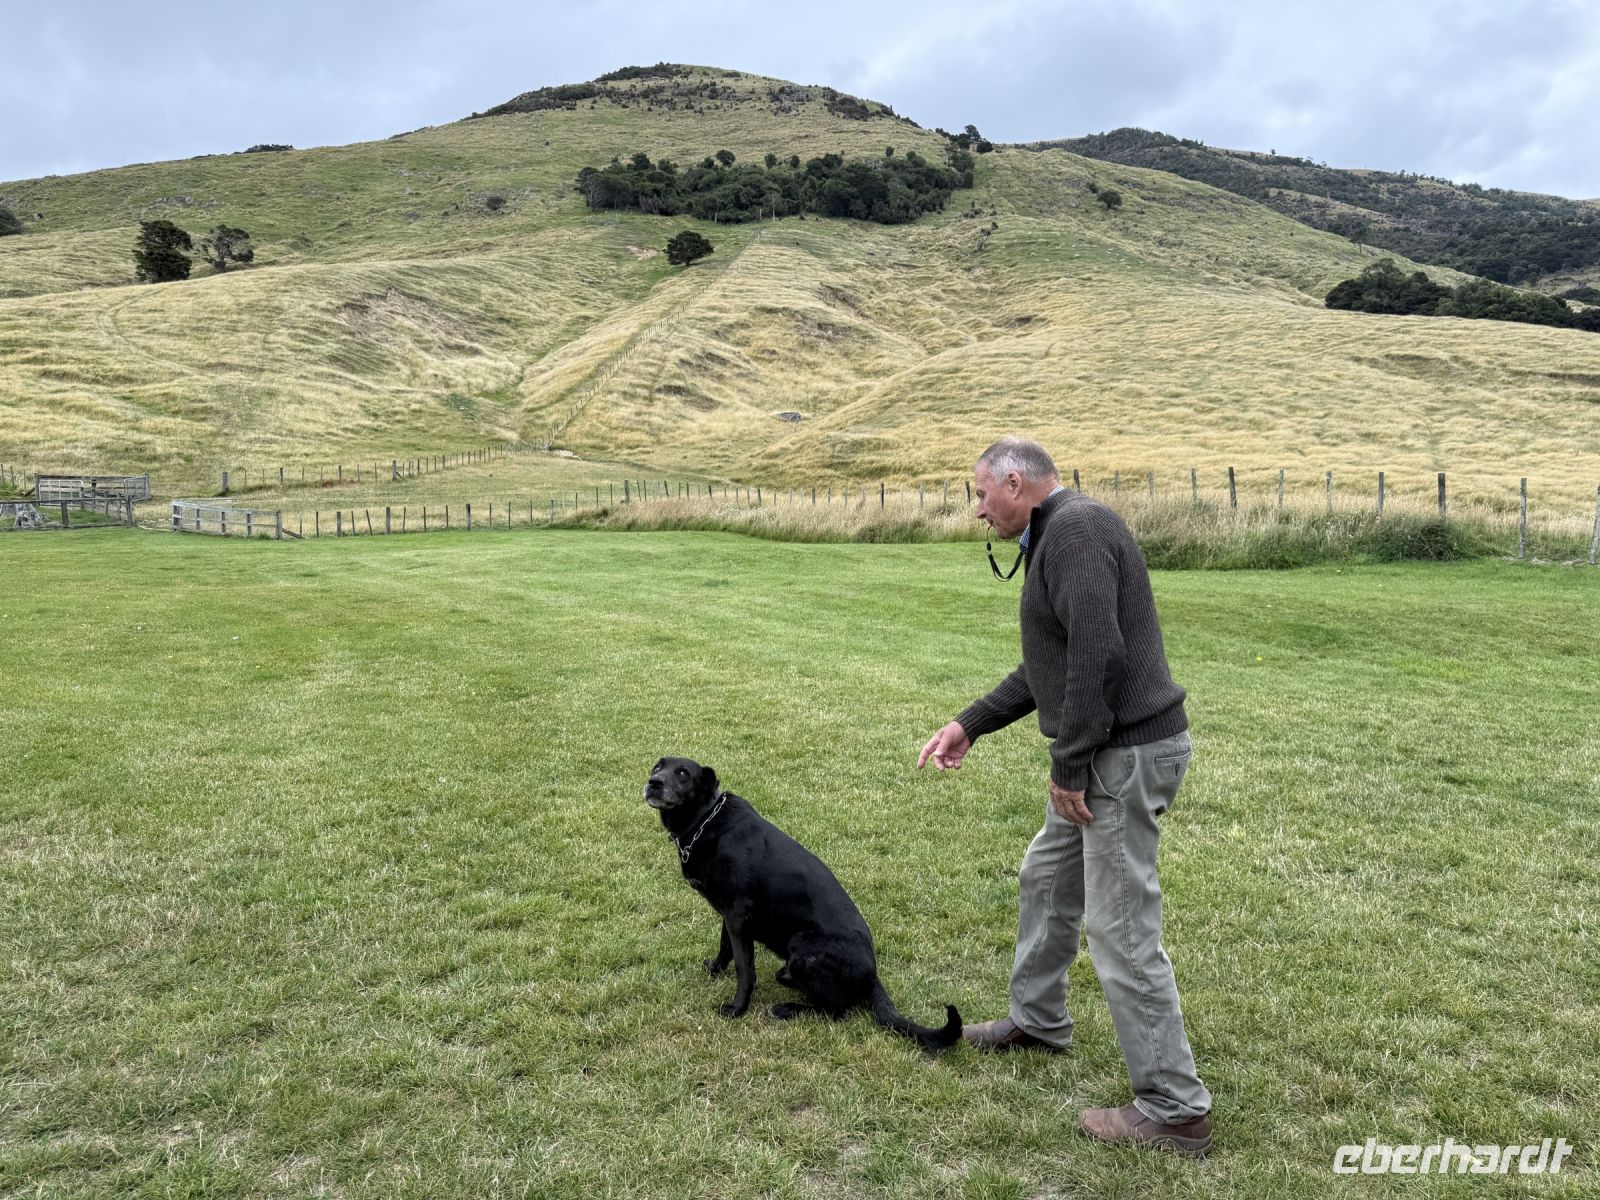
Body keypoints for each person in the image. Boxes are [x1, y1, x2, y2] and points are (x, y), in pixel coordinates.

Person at [917, 437, 1213, 1157]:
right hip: (1111, 751)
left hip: (1121, 756)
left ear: (1015, 482)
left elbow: (1097, 656)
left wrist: (1071, 764)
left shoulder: (1075, 531)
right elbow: (1050, 663)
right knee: (1047, 877)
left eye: (981, 494)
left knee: (1121, 928)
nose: (978, 510)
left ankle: (1176, 1109)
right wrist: (971, 723)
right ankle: (1037, 1020)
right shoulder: (1059, 531)